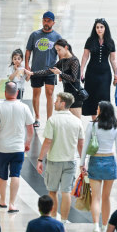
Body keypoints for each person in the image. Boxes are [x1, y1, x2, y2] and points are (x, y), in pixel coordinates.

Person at [79, 101, 117, 232]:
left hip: (95, 162)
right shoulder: (116, 128)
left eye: (98, 108)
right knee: (106, 197)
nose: (96, 110)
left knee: (96, 197)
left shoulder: (92, 125)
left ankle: (96, 226)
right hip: (110, 162)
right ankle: (105, 227)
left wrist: (82, 164)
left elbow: (86, 145)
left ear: (101, 111)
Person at [36, 92, 85, 222]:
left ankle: (53, 218)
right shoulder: (77, 121)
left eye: (56, 101)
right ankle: (63, 221)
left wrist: (40, 159)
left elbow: (47, 142)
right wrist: (82, 162)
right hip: (71, 160)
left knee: (52, 191)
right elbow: (81, 144)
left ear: (63, 104)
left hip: (54, 161)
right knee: (66, 192)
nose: (54, 102)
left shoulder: (53, 120)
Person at [0, 81, 35, 213]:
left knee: (2, 175)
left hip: (2, 148)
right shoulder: (24, 107)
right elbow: (30, 129)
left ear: (5, 93)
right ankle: (12, 204)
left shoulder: (0, 108)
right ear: (17, 93)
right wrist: (27, 143)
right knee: (16, 174)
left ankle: (2, 200)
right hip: (18, 148)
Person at [26, 39, 83, 118]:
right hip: (67, 93)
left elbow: (74, 78)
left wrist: (60, 73)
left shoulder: (74, 61)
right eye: (56, 50)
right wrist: (33, 73)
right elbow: (49, 71)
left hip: (75, 94)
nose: (58, 52)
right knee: (68, 121)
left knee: (76, 121)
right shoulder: (63, 61)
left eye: (59, 50)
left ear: (66, 47)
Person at [25, 11, 62, 127]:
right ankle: (37, 117)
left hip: (50, 71)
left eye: (49, 21)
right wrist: (27, 65)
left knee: (49, 93)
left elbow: (61, 54)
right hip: (36, 70)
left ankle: (49, 119)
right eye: (44, 20)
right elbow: (28, 51)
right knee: (36, 93)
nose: (46, 23)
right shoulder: (34, 35)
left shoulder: (57, 37)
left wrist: (60, 70)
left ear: (53, 23)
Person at [81, 18, 117, 118]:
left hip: (105, 74)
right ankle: (94, 123)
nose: (99, 29)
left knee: (104, 97)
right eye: (97, 27)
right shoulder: (90, 40)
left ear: (105, 28)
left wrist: (116, 73)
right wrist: (81, 71)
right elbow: (85, 56)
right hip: (91, 73)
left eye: (101, 27)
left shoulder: (110, 41)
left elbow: (113, 59)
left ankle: (103, 121)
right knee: (92, 98)